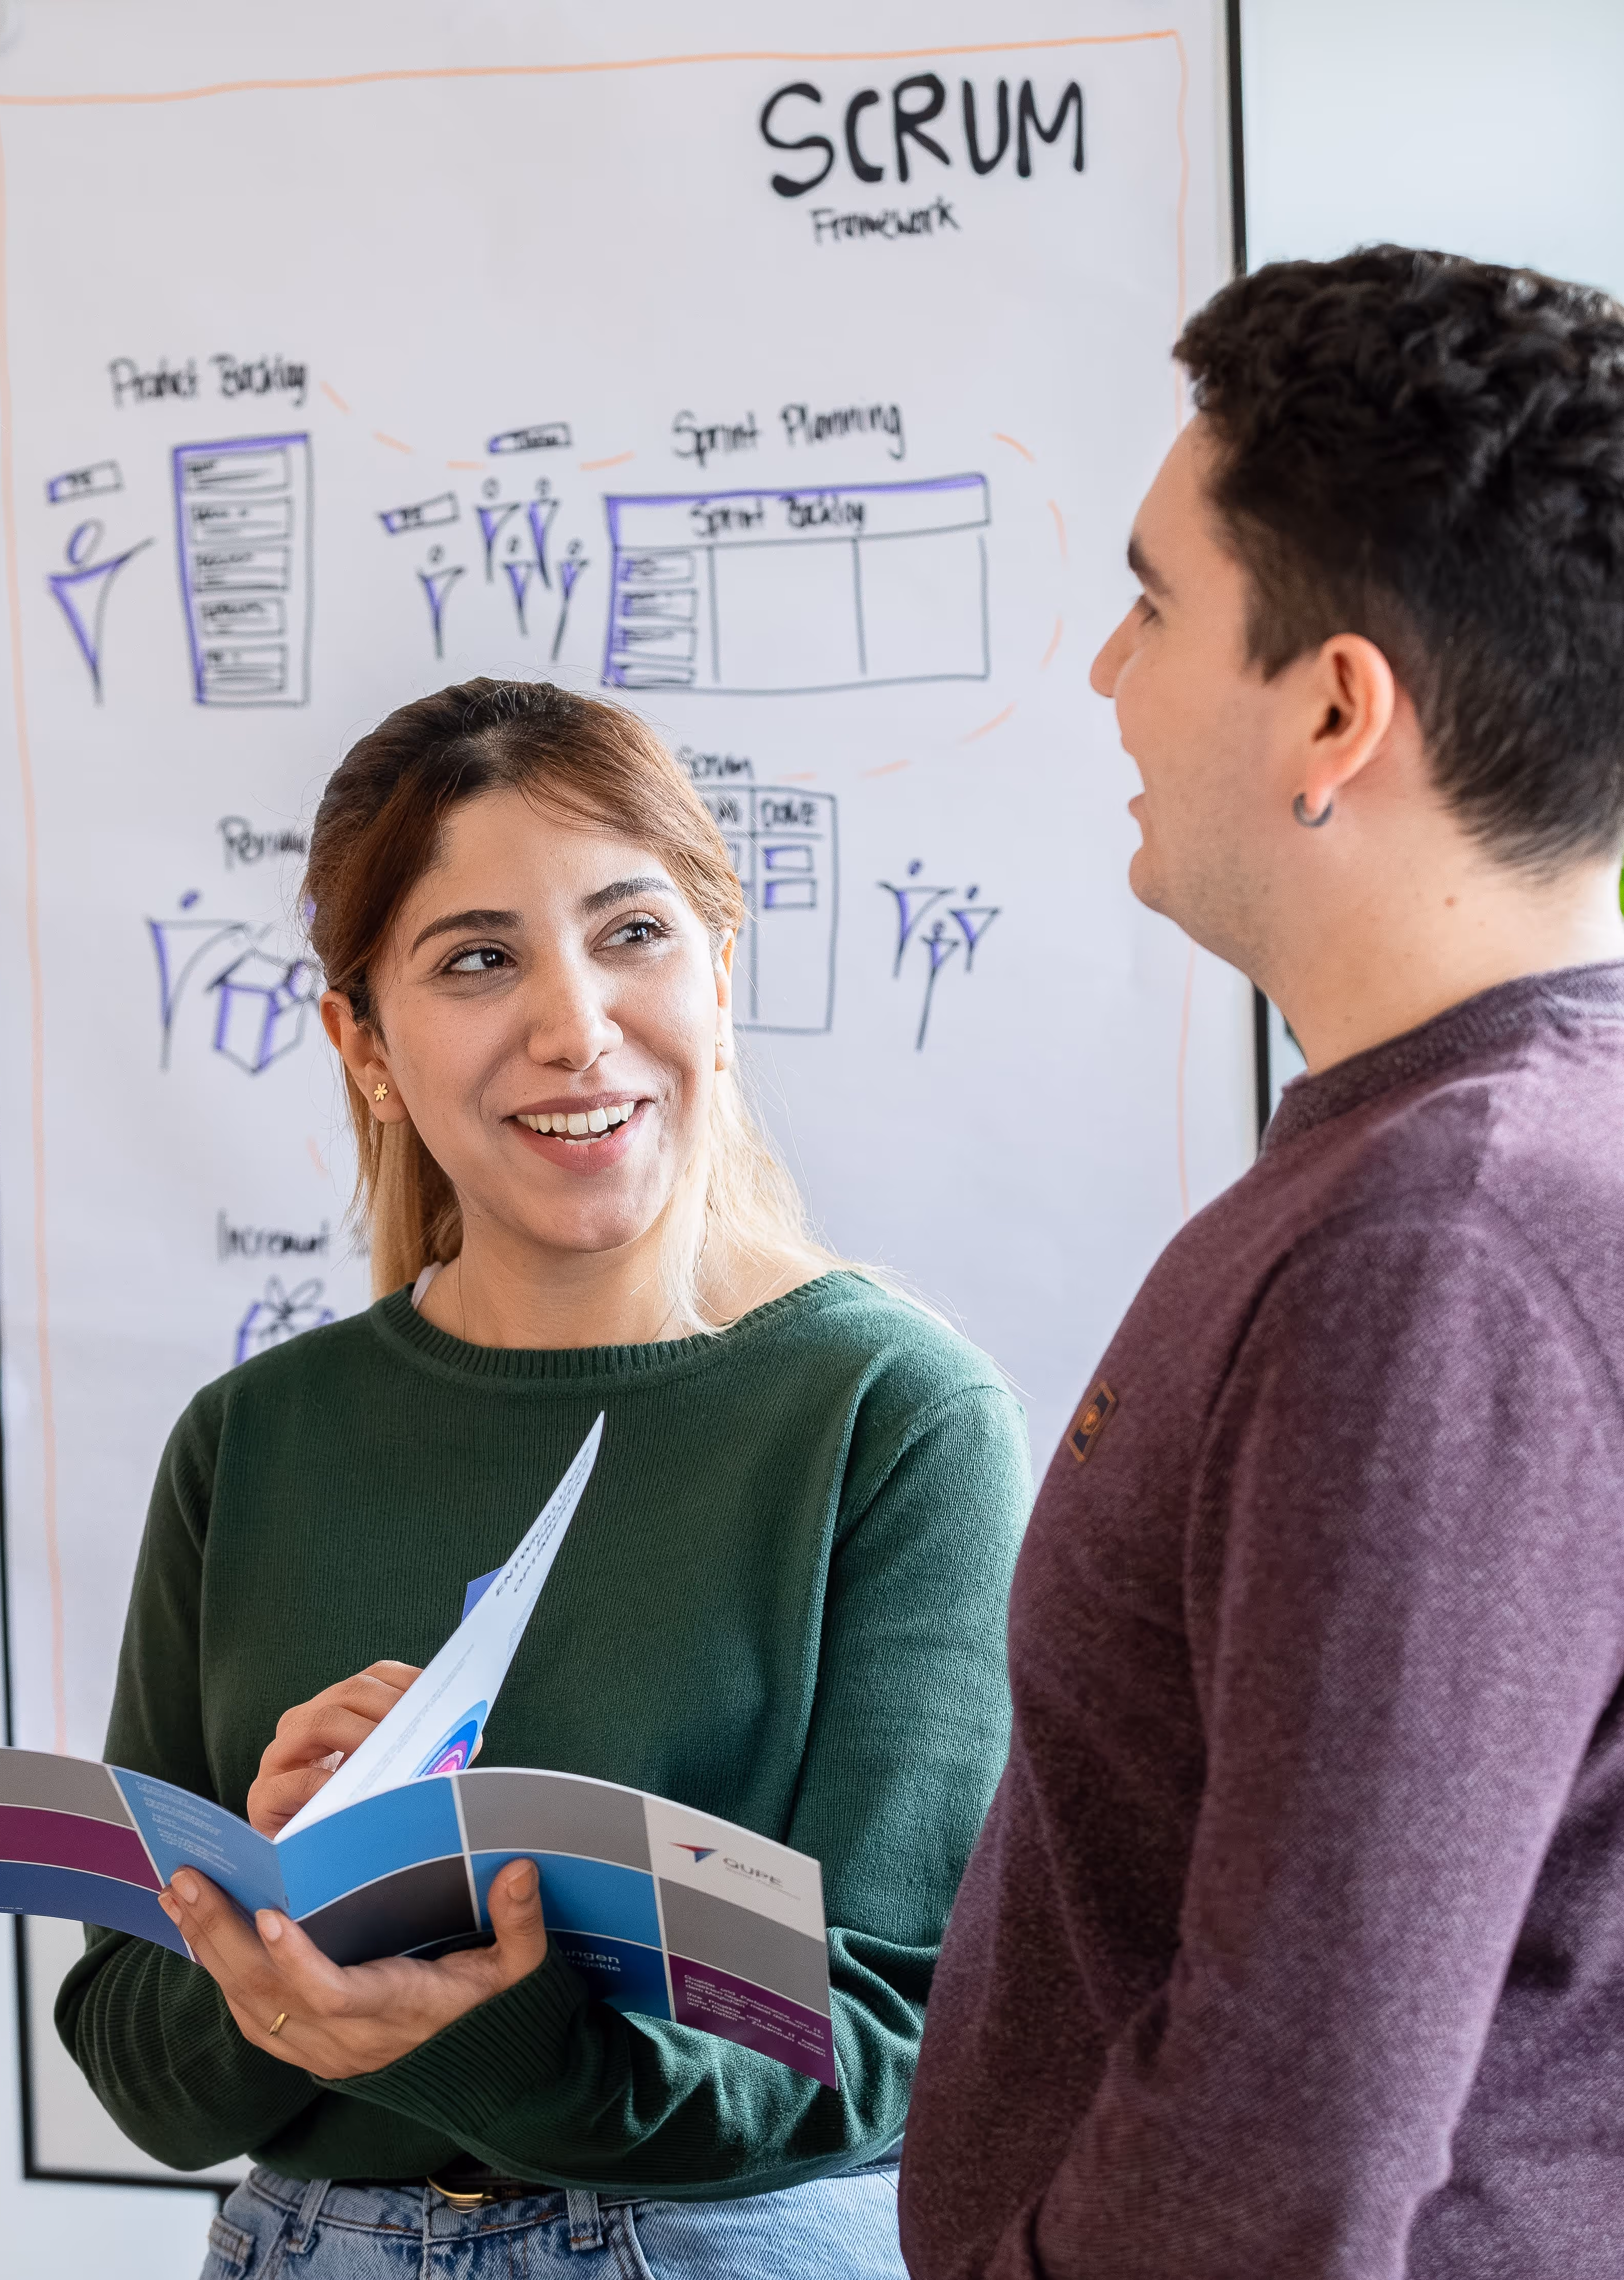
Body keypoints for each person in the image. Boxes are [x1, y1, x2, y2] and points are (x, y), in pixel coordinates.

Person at [897, 247, 1624, 2277]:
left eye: (1157, 602)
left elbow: (1279, 2147)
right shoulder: (1619, 1114)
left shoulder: (1447, 1260)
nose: (1106, 673)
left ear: (1338, 708)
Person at [55, 680, 1033, 2277]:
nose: (575, 1026)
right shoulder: (249, 1441)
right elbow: (137, 2063)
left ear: (722, 976)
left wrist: (482, 2026)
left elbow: (899, 2041)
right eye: (477, 959)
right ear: (362, 1046)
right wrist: (279, 1942)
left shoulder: (889, 1413)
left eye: (632, 933)